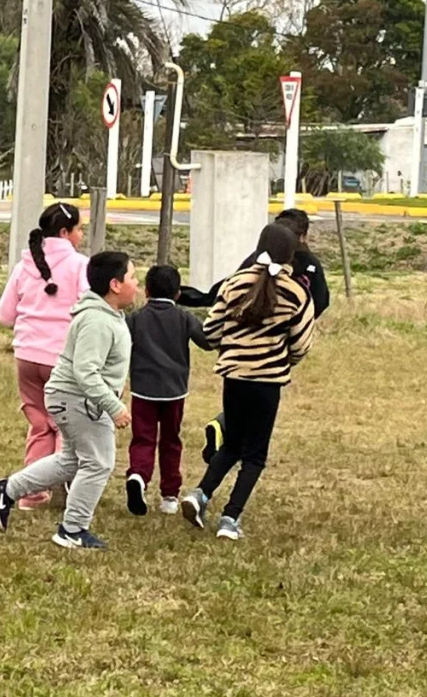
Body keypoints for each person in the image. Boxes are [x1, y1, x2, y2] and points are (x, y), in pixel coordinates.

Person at [0, 252, 137, 550]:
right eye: (133, 277)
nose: (137, 284)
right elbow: (86, 372)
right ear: (115, 285)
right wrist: (114, 406)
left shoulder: (107, 316)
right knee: (98, 463)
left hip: (76, 399)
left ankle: (8, 489)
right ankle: (73, 529)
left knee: (72, 460)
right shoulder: (97, 320)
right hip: (79, 400)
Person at [181, 224, 315, 542]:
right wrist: (281, 359)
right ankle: (230, 518)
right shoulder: (297, 293)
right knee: (255, 455)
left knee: (232, 443)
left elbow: (211, 332)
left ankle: (200, 494)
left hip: (234, 378)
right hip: (268, 383)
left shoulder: (234, 284)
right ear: (291, 255)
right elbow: (301, 344)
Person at [182, 208, 330, 463]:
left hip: (239, 347)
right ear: (304, 236)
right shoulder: (310, 265)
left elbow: (225, 290)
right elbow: (321, 300)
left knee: (241, 394)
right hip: (277, 346)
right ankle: (230, 434)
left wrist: (189, 297)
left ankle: (223, 426)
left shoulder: (256, 260)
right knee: (259, 417)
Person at [0, 202, 91, 509]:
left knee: (39, 423)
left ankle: (31, 493)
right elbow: (89, 310)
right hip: (62, 358)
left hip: (26, 356)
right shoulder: (80, 265)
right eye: (79, 229)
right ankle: (67, 482)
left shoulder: (24, 266)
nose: (81, 235)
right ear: (65, 232)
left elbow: (3, 315)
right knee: (65, 422)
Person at [124, 264, 212, 517]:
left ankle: (138, 475)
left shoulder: (135, 318)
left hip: (143, 390)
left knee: (143, 438)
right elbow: (207, 342)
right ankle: (170, 495)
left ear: (147, 291)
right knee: (171, 440)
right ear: (178, 293)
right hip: (174, 391)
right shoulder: (184, 317)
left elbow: (119, 344)